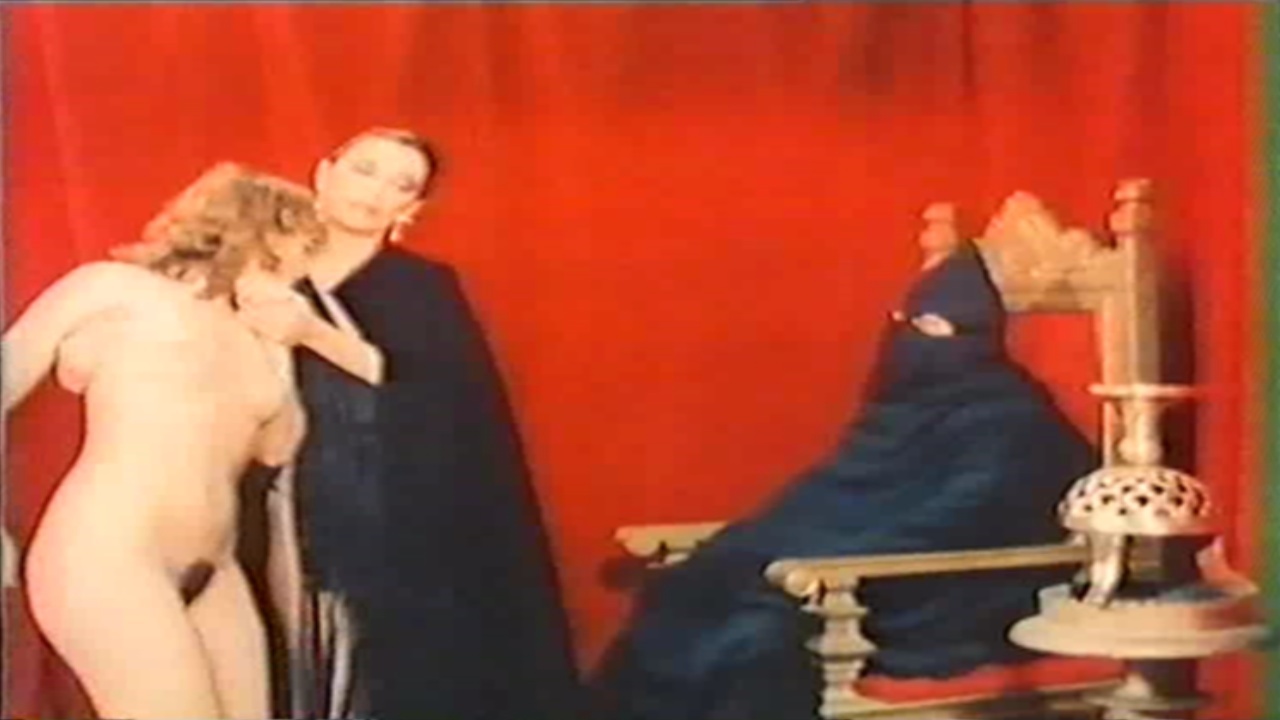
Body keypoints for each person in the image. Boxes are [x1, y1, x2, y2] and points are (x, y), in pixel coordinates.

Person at [589, 203, 1099, 720]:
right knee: (687, 602)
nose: (912, 341)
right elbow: (838, 492)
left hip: (935, 599)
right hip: (828, 574)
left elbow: (966, 516)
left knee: (751, 638)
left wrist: (819, 560)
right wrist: (766, 550)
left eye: (933, 328)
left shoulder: (1012, 420)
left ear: (976, 338)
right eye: (908, 324)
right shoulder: (903, 406)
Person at [234, 127, 585, 719]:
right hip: (274, 494)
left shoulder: (422, 287)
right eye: (364, 170)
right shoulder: (261, 267)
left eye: (401, 185)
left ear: (412, 208)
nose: (375, 192)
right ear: (324, 173)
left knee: (382, 671)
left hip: (386, 510)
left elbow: (432, 395)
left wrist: (310, 332)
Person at [1, 163, 325, 720]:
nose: (310, 264)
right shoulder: (117, 288)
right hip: (110, 551)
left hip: (216, 570)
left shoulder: (260, 339)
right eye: (305, 244)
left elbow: (277, 451)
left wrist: (281, 352)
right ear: (258, 230)